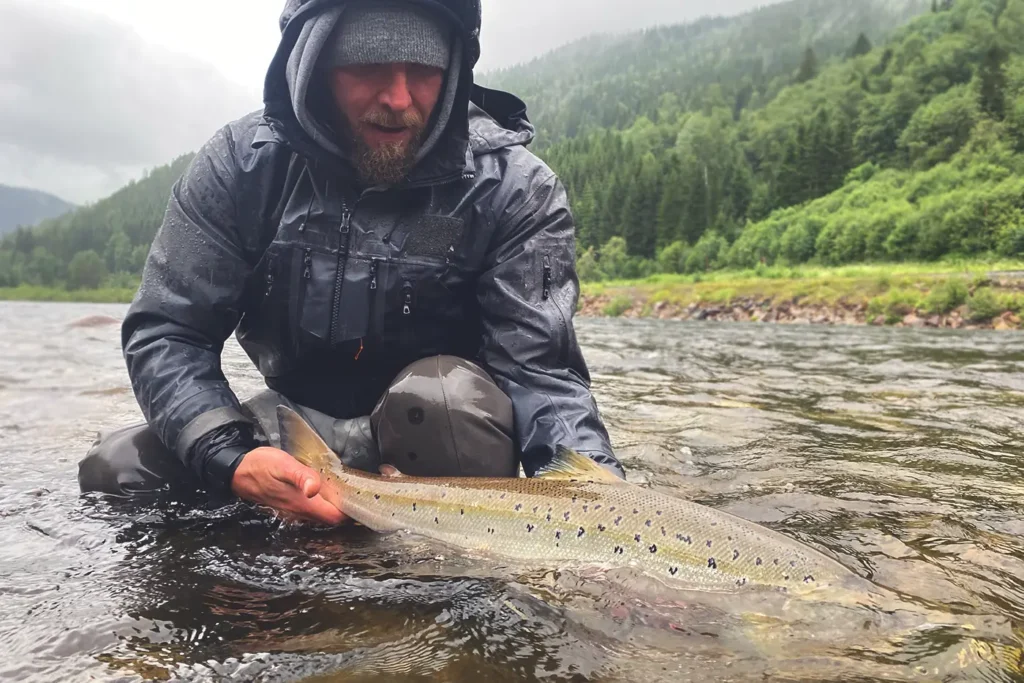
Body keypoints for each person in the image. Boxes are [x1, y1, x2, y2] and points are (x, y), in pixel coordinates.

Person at [79, 0, 624, 525]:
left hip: (441, 443)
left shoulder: (513, 189)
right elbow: (170, 331)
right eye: (367, 67)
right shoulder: (244, 165)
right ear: (314, 65)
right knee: (120, 468)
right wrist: (233, 458)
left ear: (454, 71)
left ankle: (433, 598)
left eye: (425, 71)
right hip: (298, 434)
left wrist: (604, 509)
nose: (398, 97)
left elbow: (540, 372)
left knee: (443, 393)